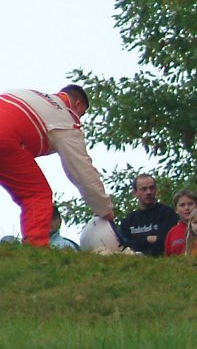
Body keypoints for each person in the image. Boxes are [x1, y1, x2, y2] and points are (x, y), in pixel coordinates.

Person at [0, 85, 114, 247]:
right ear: (78, 105)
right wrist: (104, 209)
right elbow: (83, 173)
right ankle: (35, 250)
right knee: (37, 194)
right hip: (4, 139)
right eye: (82, 114)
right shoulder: (65, 120)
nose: (80, 119)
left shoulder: (28, 93)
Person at [119, 173, 179, 256]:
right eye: (143, 189)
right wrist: (148, 239)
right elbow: (123, 246)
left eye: (151, 188)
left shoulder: (167, 213)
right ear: (135, 193)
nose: (148, 192)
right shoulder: (129, 221)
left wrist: (138, 242)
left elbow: (166, 240)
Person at [164, 189, 197, 256]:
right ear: (176, 209)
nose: (187, 208)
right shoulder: (172, 233)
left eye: (190, 204)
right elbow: (167, 260)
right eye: (182, 205)